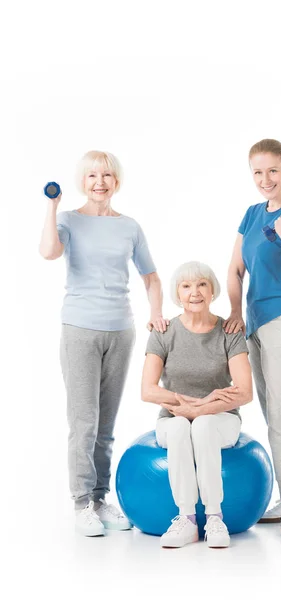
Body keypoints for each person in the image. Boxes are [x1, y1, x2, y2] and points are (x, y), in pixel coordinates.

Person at [39, 150, 168, 536]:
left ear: (116, 181)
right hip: (80, 328)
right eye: (93, 175)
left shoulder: (129, 226)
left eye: (107, 175)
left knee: (106, 424)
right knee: (84, 422)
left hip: (121, 330)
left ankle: (98, 498)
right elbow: (48, 252)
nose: (100, 181)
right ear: (84, 180)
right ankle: (80, 503)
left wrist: (157, 314)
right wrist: (51, 207)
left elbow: (152, 278)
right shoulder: (67, 220)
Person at [224, 139, 281, 543]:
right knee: (279, 414)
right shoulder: (250, 214)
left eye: (273, 171)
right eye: (258, 172)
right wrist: (234, 311)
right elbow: (235, 269)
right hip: (256, 323)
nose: (265, 180)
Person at [141, 261, 252, 548]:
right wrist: (185, 404)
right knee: (180, 428)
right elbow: (148, 391)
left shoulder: (229, 332)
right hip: (173, 418)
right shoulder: (164, 332)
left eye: (202, 284)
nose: (195, 292)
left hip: (221, 418)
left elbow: (244, 391)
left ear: (212, 290)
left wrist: (201, 409)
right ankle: (187, 520)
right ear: (178, 293)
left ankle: (214, 517)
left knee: (201, 425)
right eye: (186, 285)